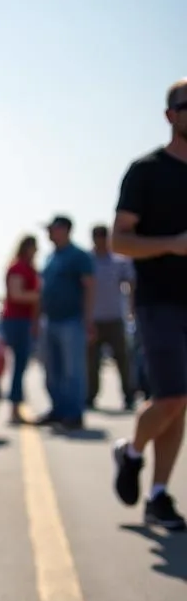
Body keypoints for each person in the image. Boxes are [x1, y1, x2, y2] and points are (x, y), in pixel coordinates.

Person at [111, 77, 187, 531]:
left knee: (180, 402)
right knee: (173, 396)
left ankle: (158, 494)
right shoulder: (146, 171)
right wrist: (173, 245)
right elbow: (121, 239)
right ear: (170, 115)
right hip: (159, 303)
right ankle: (131, 451)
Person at [37, 215, 95, 430]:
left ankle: (74, 414)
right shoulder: (51, 257)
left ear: (65, 230)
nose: (49, 233)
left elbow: (90, 287)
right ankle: (58, 410)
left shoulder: (79, 256)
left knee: (73, 372)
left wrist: (88, 319)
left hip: (71, 321)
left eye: (53, 229)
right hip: (50, 321)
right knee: (52, 371)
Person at [86, 224, 136, 411]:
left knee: (122, 359)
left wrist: (132, 307)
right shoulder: (87, 261)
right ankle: (90, 395)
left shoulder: (119, 261)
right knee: (91, 362)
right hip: (94, 319)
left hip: (115, 317)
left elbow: (131, 283)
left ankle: (129, 394)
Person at [0, 235, 40, 423]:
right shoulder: (17, 267)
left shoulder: (29, 267)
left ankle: (17, 404)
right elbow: (16, 294)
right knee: (19, 365)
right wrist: (40, 296)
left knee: (21, 365)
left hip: (24, 321)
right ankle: (15, 407)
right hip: (16, 321)